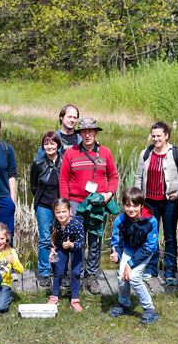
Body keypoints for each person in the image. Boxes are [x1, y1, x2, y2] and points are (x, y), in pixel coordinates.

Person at [59, 118, 118, 294]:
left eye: (90, 131)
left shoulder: (106, 153)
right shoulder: (71, 153)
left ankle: (92, 277)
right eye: (83, 131)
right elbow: (63, 179)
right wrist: (66, 204)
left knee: (94, 241)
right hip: (76, 203)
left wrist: (109, 194)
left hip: (97, 204)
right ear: (79, 134)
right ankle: (76, 274)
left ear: (96, 133)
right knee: (76, 241)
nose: (87, 135)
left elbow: (113, 176)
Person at [133, 121, 178, 285]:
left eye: (159, 136)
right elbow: (138, 177)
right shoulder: (146, 153)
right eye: (153, 135)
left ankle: (170, 272)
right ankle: (151, 268)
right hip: (149, 202)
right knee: (150, 236)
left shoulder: (177, 153)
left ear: (166, 136)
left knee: (170, 237)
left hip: (170, 202)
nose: (155, 139)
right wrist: (137, 199)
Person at [109, 187, 160, 325]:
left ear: (142, 206)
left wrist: (130, 264)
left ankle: (150, 309)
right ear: (123, 205)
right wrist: (116, 255)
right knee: (121, 276)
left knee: (134, 277)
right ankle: (124, 304)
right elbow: (117, 242)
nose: (131, 209)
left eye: (135, 206)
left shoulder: (151, 221)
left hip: (145, 251)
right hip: (129, 249)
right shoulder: (120, 220)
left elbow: (150, 247)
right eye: (127, 205)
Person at [30, 131, 62, 287]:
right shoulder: (38, 163)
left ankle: (58, 269)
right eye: (46, 144)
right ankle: (43, 271)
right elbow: (33, 186)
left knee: (60, 238)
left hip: (61, 207)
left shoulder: (64, 162)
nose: (49, 146)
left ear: (58, 145)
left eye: (52, 143)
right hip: (43, 206)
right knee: (44, 239)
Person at [47, 198, 85, 312]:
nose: (61, 215)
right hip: (61, 247)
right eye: (58, 212)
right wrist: (52, 250)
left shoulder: (77, 224)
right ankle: (54, 296)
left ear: (70, 211)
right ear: (54, 213)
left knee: (76, 272)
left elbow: (82, 242)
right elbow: (53, 240)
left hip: (76, 248)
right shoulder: (53, 224)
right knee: (58, 270)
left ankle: (75, 299)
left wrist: (71, 245)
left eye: (64, 211)